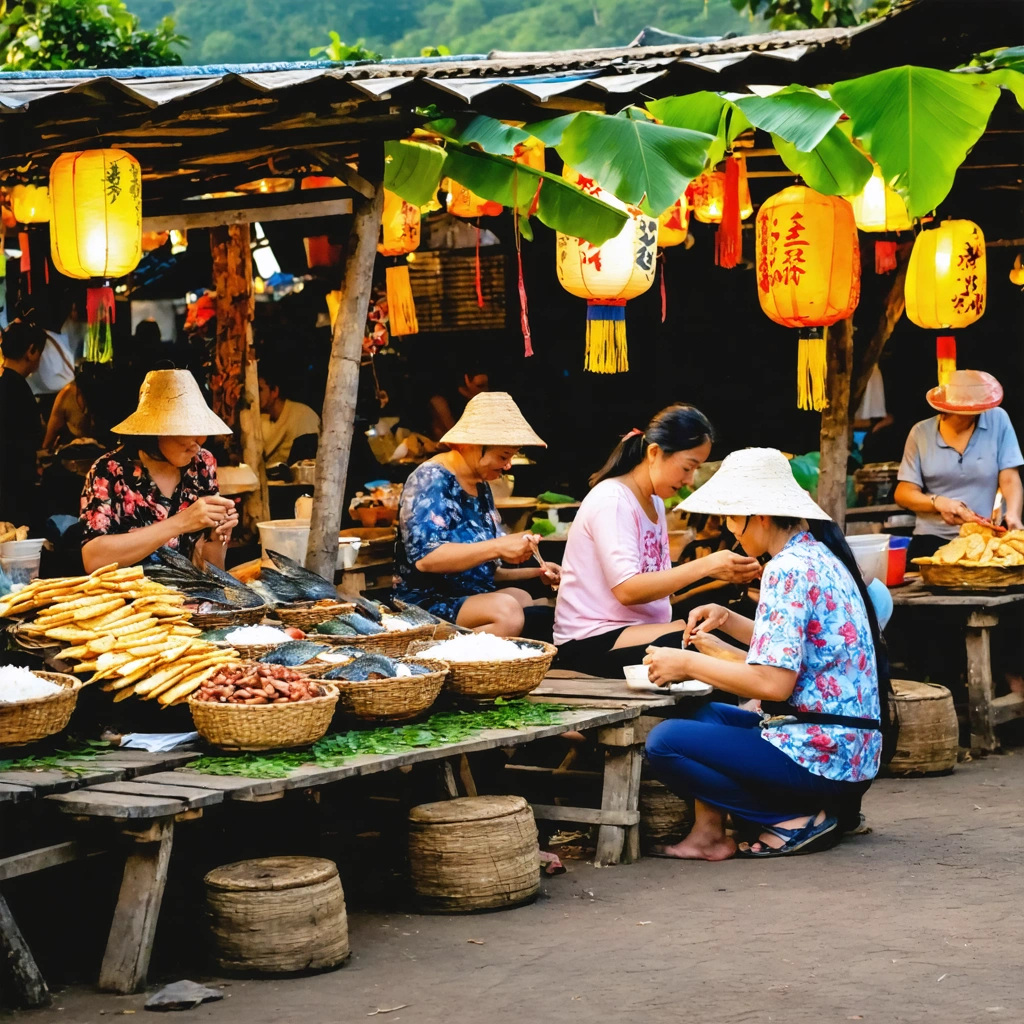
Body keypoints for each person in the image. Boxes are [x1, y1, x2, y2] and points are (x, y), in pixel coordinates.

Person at [642, 448, 891, 860]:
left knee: (666, 742)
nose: (729, 530)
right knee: (703, 717)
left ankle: (789, 819)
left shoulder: (786, 568)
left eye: (732, 518)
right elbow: (799, 648)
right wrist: (727, 620)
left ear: (757, 516)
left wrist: (686, 662)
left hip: (823, 755)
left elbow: (774, 684)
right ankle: (710, 836)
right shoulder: (817, 554)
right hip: (850, 751)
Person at [552, 405, 761, 677]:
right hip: (591, 641)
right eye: (688, 467)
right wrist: (708, 566)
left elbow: (660, 585)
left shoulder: (654, 502)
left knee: (720, 629)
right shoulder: (613, 500)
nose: (689, 480)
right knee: (701, 647)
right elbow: (627, 590)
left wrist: (721, 573)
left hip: (636, 630)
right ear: (654, 453)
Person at [393, 392, 559, 635]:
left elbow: (486, 571)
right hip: (426, 605)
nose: (508, 465)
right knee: (507, 610)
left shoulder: (481, 485)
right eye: (503, 456)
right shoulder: (430, 478)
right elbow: (427, 559)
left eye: (511, 456)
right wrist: (499, 546)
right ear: (470, 446)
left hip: (467, 598)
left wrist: (538, 571)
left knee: (520, 597)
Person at [79, 369, 238, 572]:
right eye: (186, 430)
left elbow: (212, 569)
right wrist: (180, 522)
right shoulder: (110, 471)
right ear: (155, 431)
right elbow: (93, 559)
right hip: (127, 598)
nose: (197, 444)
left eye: (201, 431)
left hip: (186, 598)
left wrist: (218, 536)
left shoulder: (202, 464)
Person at [894, 370, 1023, 561]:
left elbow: (1010, 478)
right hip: (931, 539)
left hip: (984, 539)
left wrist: (1013, 514)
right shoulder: (920, 433)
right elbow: (903, 493)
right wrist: (938, 503)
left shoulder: (998, 420)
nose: (963, 417)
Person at [0, 319, 46, 529]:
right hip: (14, 488)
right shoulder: (19, 390)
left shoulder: (6, 384)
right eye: (40, 353)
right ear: (31, 351)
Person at [259, 365, 320, 465]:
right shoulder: (262, 420)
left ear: (274, 391)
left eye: (259, 389)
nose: (255, 394)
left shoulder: (302, 415)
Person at [427, 364, 489, 441]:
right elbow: (456, 435)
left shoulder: (486, 400)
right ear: (466, 381)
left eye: (486, 385)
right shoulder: (441, 401)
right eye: (480, 386)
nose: (485, 390)